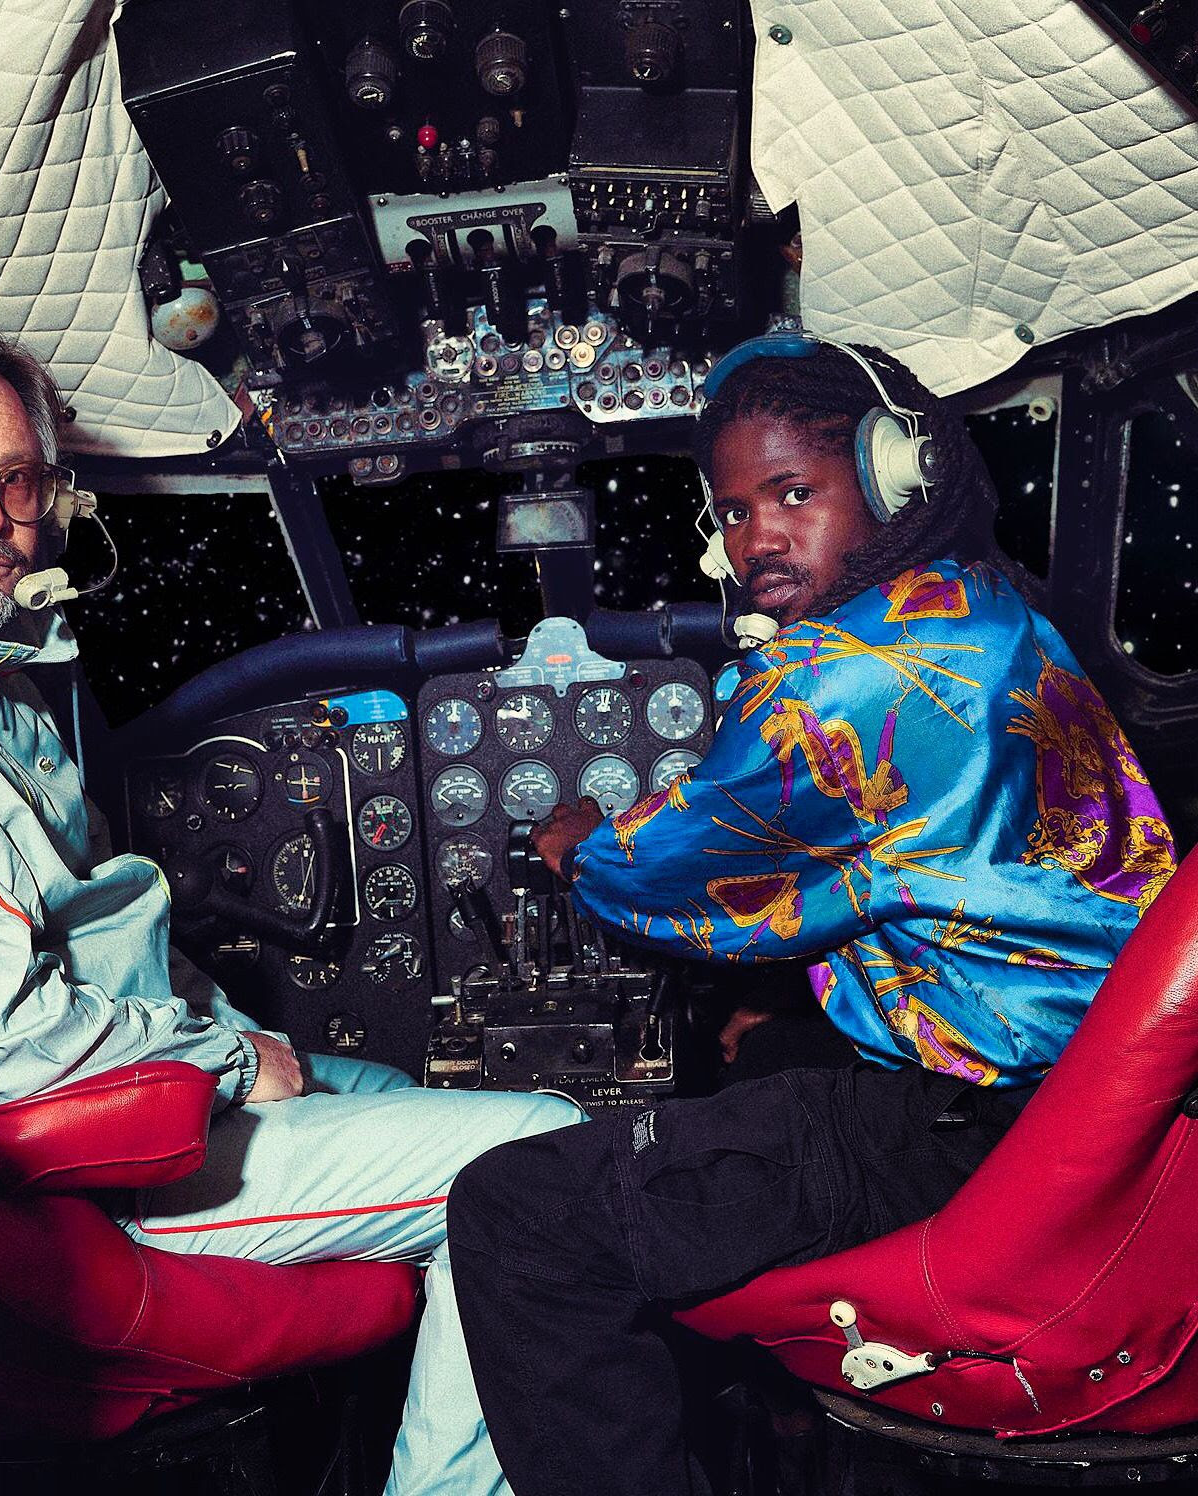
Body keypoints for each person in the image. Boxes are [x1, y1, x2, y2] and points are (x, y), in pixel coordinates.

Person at [0, 317, 582, 1496]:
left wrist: (228, 1040)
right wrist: (228, 1057)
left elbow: (91, 925)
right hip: (82, 1171)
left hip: (111, 1105)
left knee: (392, 1084)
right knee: (541, 1155)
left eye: (17, 479)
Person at [447, 333, 1177, 1496]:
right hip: (1095, 1101)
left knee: (513, 1211)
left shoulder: (829, 678)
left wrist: (578, 841)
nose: (756, 540)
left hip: (972, 1129)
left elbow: (675, 881)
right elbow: (878, 878)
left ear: (892, 475)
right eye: (735, 510)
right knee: (753, 1051)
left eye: (793, 493)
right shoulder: (989, 607)